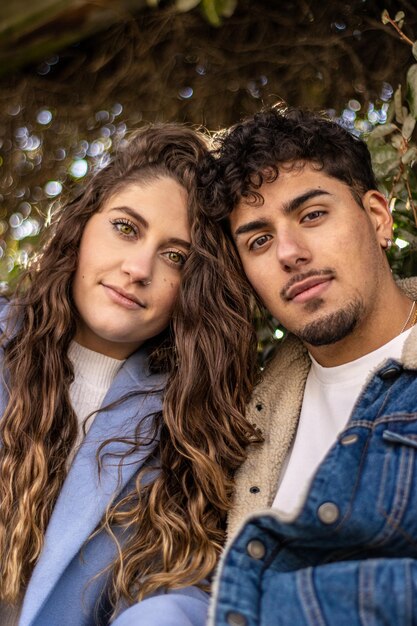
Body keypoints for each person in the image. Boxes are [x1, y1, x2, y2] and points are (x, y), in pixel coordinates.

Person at [0, 123, 258, 626]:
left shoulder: (188, 426)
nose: (139, 267)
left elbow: (172, 588)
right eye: (126, 228)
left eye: (175, 257)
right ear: (81, 228)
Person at [198, 105, 417, 625]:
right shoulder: (242, 415)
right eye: (259, 240)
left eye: (313, 214)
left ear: (378, 218)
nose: (290, 253)